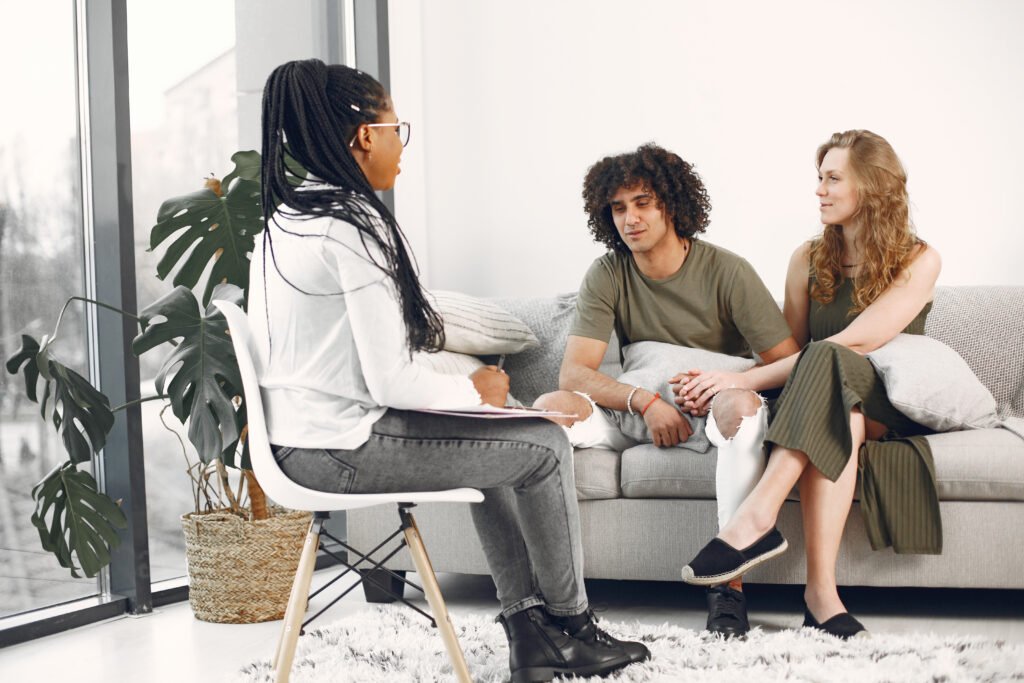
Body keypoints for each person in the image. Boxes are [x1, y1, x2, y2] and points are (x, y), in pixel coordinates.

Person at [250, 59, 649, 682]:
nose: (400, 145)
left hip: (298, 445)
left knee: (498, 443)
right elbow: (389, 382)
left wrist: (475, 402)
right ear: (363, 137)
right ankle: (572, 628)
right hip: (345, 446)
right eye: (394, 128)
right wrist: (474, 387)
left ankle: (529, 631)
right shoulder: (353, 228)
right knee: (542, 443)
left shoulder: (284, 220)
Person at [680, 129, 942, 639]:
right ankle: (821, 598)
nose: (819, 190)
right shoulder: (806, 257)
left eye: (832, 178)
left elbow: (857, 343)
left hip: (889, 400)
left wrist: (737, 377)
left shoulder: (920, 258)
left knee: (833, 355)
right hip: (833, 402)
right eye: (818, 179)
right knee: (837, 407)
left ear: (871, 186)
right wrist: (736, 382)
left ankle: (758, 516)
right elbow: (793, 352)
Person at [534, 143, 800, 637]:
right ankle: (547, 589)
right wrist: (647, 401)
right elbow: (574, 376)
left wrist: (722, 384)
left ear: (671, 205)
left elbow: (789, 363)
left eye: (643, 202)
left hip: (712, 408)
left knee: (741, 408)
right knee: (549, 410)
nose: (630, 218)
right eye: (618, 207)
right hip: (640, 410)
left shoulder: (728, 271)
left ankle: (729, 586)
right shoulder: (608, 272)